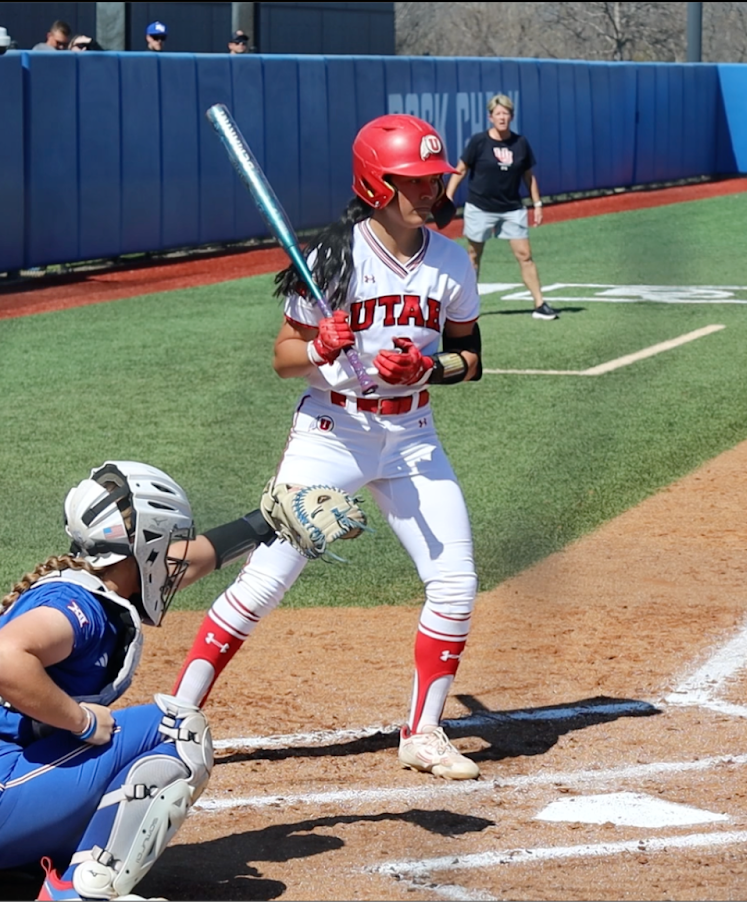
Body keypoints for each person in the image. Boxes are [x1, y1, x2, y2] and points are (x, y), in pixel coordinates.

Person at [0, 464, 358, 901]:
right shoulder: (81, 608)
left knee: (102, 755)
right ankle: (85, 891)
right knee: (176, 729)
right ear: (141, 547)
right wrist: (82, 720)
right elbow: (3, 661)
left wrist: (261, 524)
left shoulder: (81, 585)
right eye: (167, 542)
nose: (174, 559)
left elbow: (185, 564)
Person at [169, 113, 488, 782]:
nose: (432, 191)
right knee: (265, 582)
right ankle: (175, 716)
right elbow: (284, 357)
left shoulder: (451, 262)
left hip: (411, 437)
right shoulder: (332, 258)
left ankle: (423, 733)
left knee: (456, 584)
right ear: (379, 184)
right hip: (330, 436)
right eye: (418, 181)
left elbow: (471, 357)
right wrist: (319, 347)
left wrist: (428, 370)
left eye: (434, 180)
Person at [445, 94, 557, 320]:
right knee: (473, 256)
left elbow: (529, 177)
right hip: (480, 207)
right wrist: (447, 196)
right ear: (490, 117)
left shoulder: (520, 143)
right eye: (498, 114)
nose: (502, 117)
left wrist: (537, 203)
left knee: (525, 255)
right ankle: (466, 307)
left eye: (506, 113)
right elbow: (461, 170)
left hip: (511, 209)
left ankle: (539, 304)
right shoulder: (479, 142)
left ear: (511, 116)